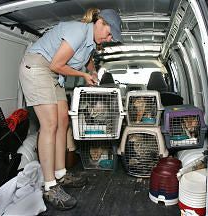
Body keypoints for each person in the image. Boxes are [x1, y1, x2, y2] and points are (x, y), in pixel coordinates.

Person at [19, 8, 122, 210]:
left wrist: (92, 72)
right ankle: (50, 186)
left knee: (63, 122)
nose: (109, 38)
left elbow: (87, 63)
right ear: (100, 22)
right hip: (37, 67)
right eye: (109, 33)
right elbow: (57, 64)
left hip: (53, 75)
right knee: (50, 124)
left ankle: (60, 174)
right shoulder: (78, 30)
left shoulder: (91, 43)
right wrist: (83, 77)